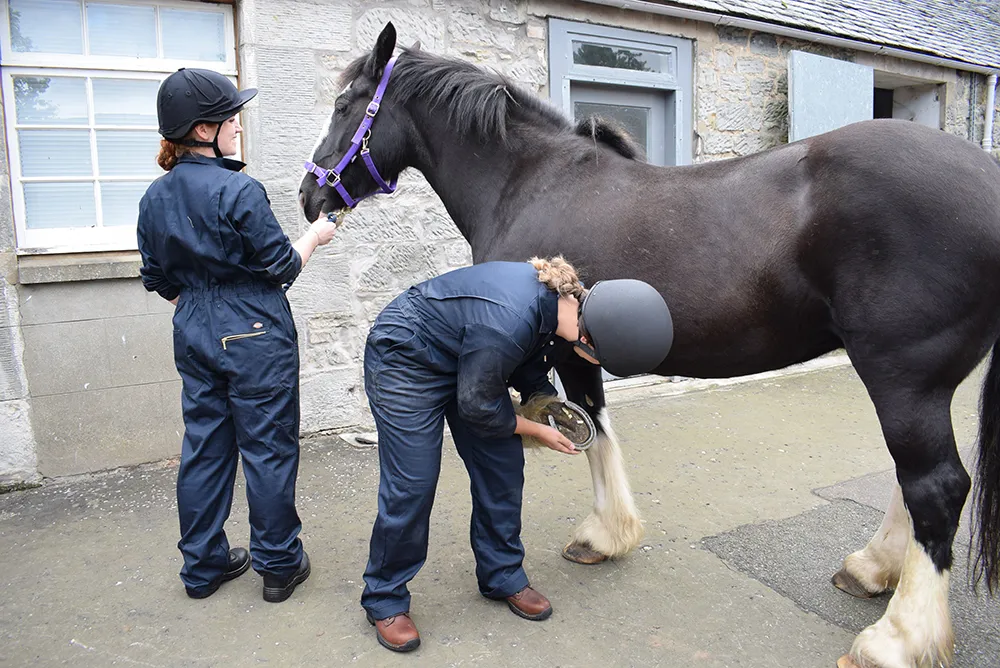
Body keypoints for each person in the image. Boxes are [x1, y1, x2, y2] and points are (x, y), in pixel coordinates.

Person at [361, 257, 672, 652]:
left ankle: (501, 574)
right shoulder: (508, 320)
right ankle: (384, 597)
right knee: (413, 482)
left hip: (472, 359)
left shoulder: (565, 306)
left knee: (503, 468)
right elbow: (478, 405)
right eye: (603, 362)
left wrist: (549, 405)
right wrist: (539, 430)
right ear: (590, 343)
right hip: (406, 360)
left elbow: (528, 362)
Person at [137, 68, 338, 602]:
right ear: (204, 131)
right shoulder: (238, 189)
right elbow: (282, 267)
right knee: (268, 449)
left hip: (193, 330)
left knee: (204, 447)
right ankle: (278, 567)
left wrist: (200, 307)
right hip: (254, 332)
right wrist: (315, 234)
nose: (237, 127)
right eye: (230, 119)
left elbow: (157, 279)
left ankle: (202, 569)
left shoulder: (153, 198)